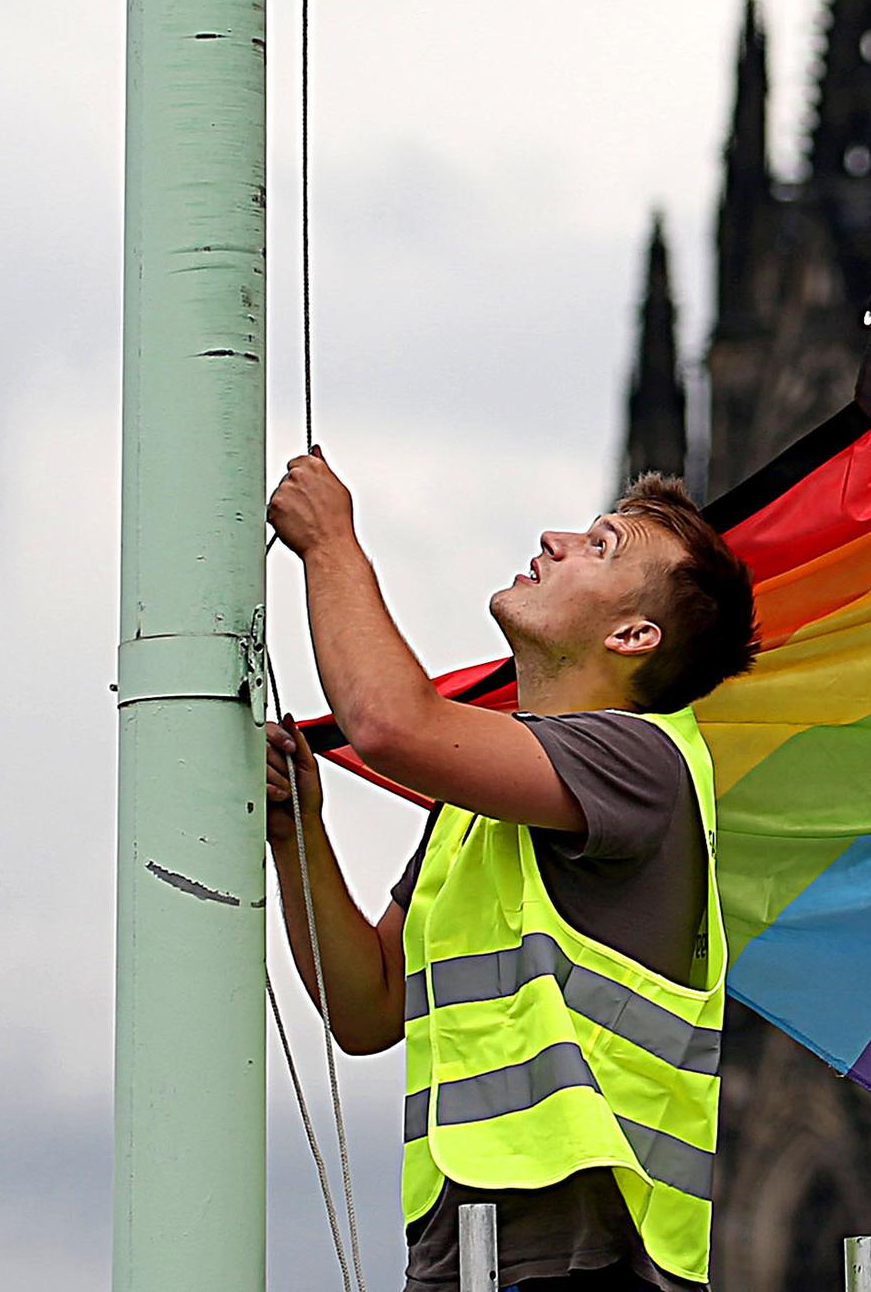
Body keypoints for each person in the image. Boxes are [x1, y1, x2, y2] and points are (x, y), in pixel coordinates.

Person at [261, 449, 759, 1292]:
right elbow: (368, 1007)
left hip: (591, 1261)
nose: (556, 540)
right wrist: (298, 834)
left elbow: (390, 725)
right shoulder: (479, 807)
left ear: (633, 637)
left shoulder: (643, 760)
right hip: (461, 1256)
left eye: (600, 546)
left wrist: (332, 543)